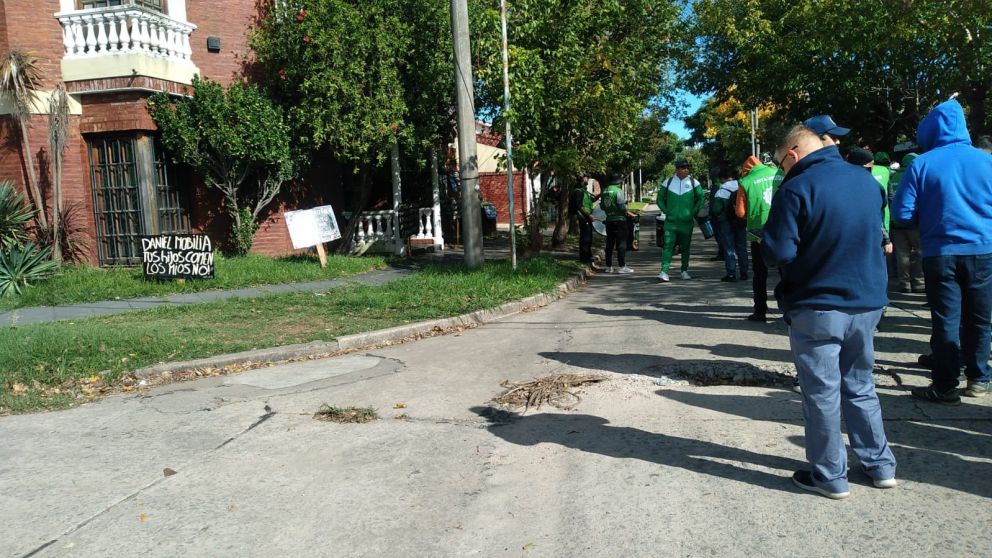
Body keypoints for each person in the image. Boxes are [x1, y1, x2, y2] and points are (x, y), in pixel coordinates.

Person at [763, 124, 896, 499]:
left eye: (781, 164)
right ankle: (880, 466)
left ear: (792, 154)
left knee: (822, 393)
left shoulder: (797, 188)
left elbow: (779, 251)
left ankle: (830, 476)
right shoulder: (867, 181)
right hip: (867, 302)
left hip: (818, 304)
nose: (783, 171)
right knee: (861, 386)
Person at [891, 99, 992, 402]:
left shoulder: (922, 164)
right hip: (984, 250)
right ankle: (979, 379)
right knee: (980, 319)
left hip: (940, 252)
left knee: (946, 319)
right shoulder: (986, 161)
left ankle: (946, 385)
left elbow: (902, 214)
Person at [736, 155, 777, 321]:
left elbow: (740, 212)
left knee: (760, 274)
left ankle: (760, 311)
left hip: (758, 234)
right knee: (786, 271)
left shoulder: (745, 182)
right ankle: (789, 310)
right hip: (783, 230)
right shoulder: (779, 173)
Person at [657, 159, 705, 282]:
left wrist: (692, 212)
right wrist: (666, 211)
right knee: (668, 246)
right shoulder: (668, 182)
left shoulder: (694, 182)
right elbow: (659, 199)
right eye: (683, 168)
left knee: (685, 248)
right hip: (671, 223)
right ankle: (664, 271)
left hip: (686, 223)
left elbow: (701, 198)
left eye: (687, 167)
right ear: (677, 169)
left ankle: (684, 271)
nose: (686, 169)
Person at [889, 153, 924, 292]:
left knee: (902, 254)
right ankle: (919, 282)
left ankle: (904, 283)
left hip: (896, 222)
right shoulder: (917, 175)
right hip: (914, 221)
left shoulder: (892, 177)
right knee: (919, 252)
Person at [712, 167, 748, 282]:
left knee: (729, 248)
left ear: (722, 178)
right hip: (741, 220)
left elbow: (716, 209)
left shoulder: (721, 191)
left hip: (726, 223)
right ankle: (744, 272)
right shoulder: (742, 186)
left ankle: (731, 273)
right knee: (742, 247)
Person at [600, 173, 635, 274]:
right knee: (621, 244)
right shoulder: (618, 191)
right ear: (618, 182)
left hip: (609, 220)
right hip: (620, 220)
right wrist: (629, 213)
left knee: (609, 244)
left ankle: (608, 266)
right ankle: (621, 266)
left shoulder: (604, 191)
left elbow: (602, 206)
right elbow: (621, 207)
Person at [571, 177, 597, 265]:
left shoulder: (584, 191)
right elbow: (579, 205)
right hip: (583, 217)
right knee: (585, 238)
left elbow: (589, 201)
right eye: (586, 178)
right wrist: (588, 215)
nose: (587, 180)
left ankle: (588, 255)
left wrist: (598, 196)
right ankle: (584, 257)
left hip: (587, 216)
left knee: (589, 237)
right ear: (581, 180)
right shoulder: (578, 191)